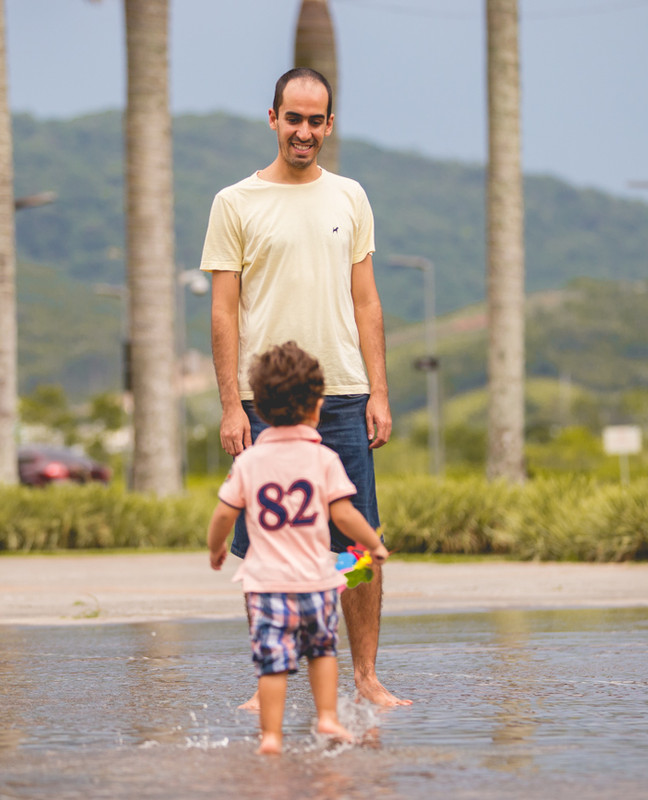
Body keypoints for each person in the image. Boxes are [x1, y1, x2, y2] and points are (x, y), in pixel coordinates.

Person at [200, 67, 408, 708]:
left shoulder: (350, 196)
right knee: (268, 543)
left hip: (342, 393)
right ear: (274, 119)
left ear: (329, 125)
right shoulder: (235, 203)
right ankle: (273, 681)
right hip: (265, 401)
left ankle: (365, 677)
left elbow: (366, 301)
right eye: (294, 118)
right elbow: (223, 312)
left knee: (357, 544)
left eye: (316, 121)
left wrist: (379, 391)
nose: (304, 131)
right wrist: (231, 404)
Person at [207, 342, 389, 755]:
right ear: (317, 406)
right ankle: (327, 717)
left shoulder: (249, 462)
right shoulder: (323, 459)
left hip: (266, 587)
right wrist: (373, 545)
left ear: (260, 408)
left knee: (272, 662)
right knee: (321, 652)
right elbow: (344, 515)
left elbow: (223, 514)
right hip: (314, 584)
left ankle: (271, 736)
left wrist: (215, 548)